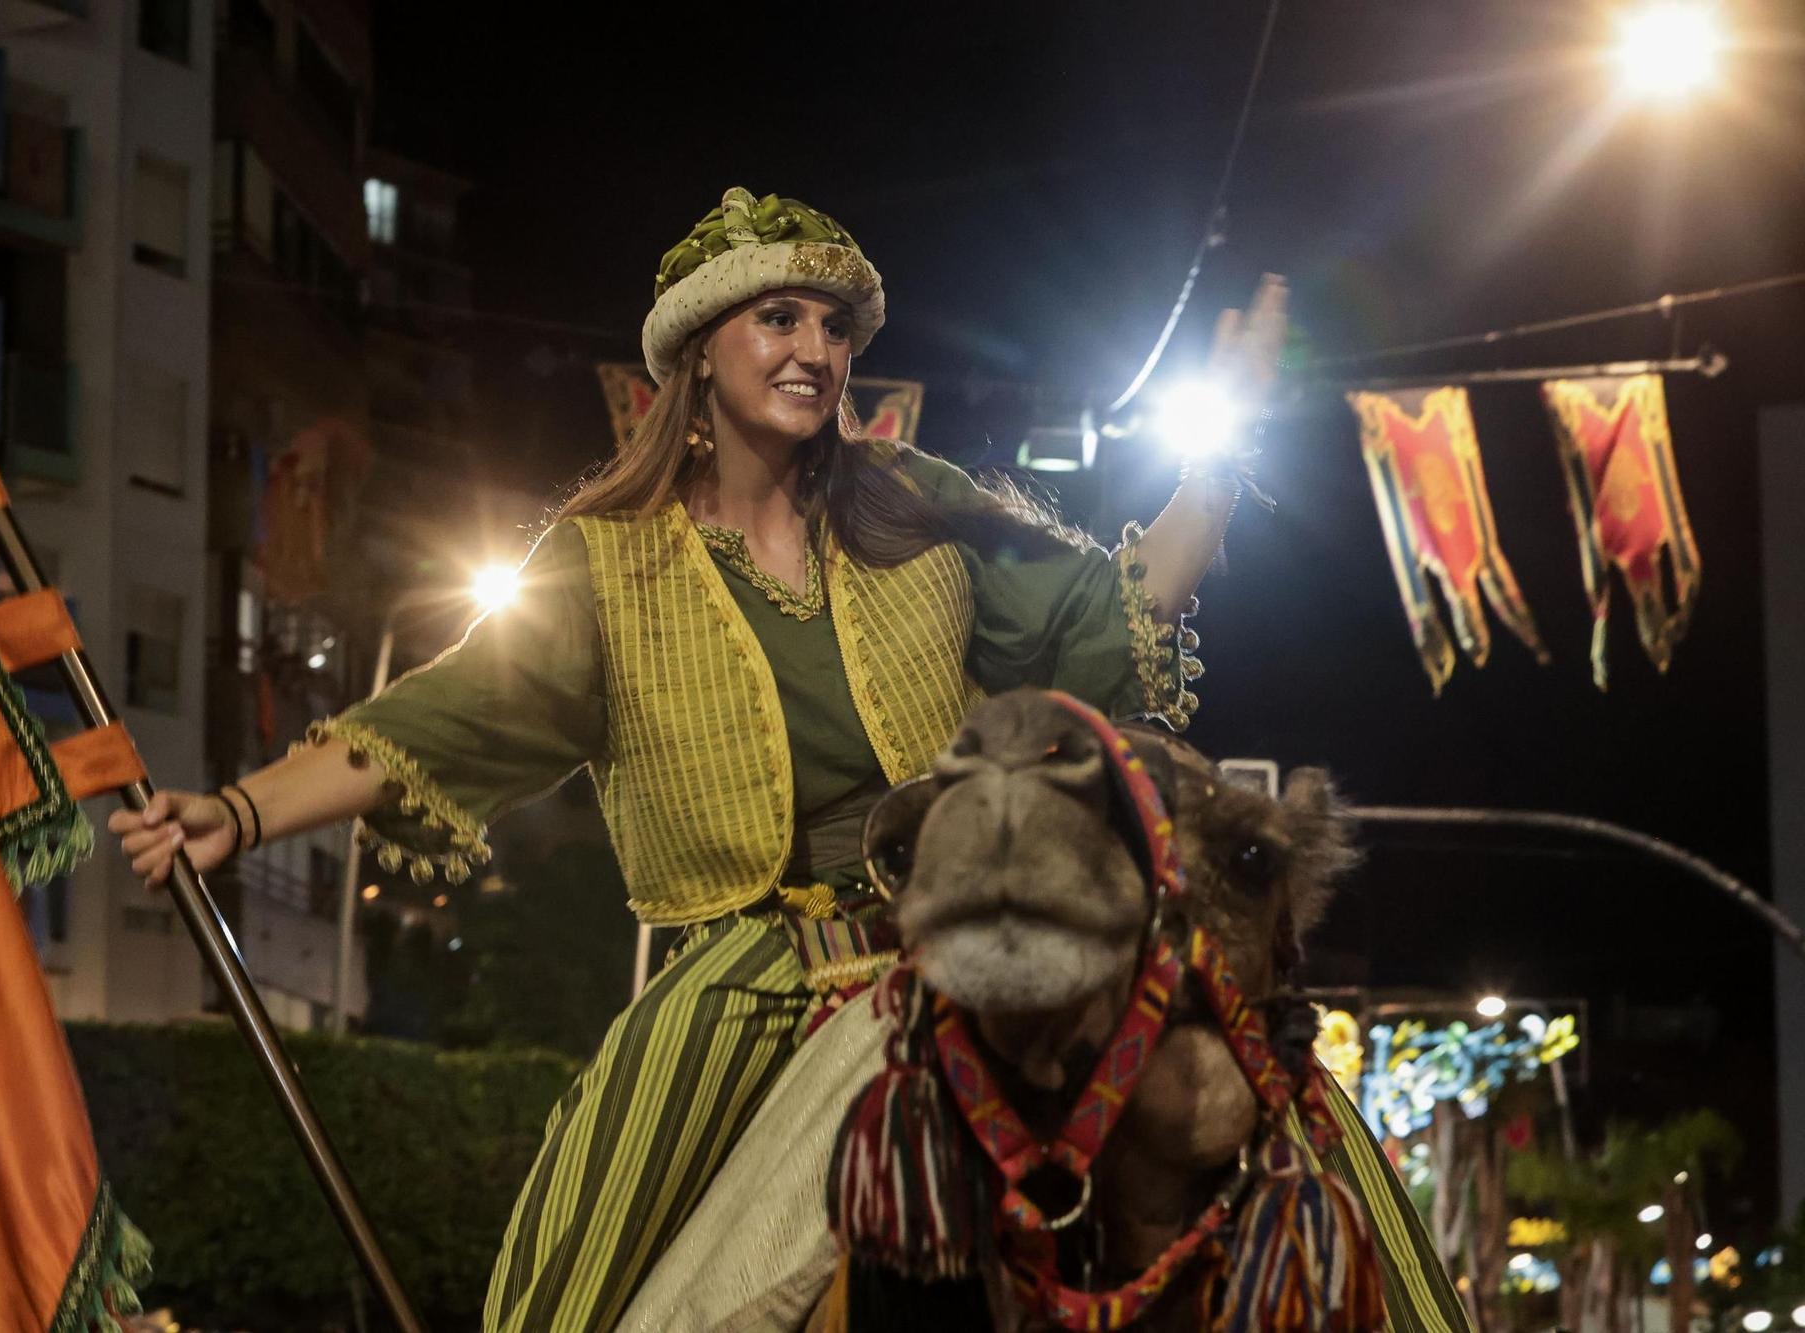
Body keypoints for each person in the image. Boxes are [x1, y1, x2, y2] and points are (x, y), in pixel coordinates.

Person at [113, 187, 1458, 1332]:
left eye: (834, 325)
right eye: (780, 317)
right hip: (747, 982)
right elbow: (444, 717)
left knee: (1269, 1105)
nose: (814, 348)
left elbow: (1117, 603)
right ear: (698, 350)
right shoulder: (607, 565)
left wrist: (1224, 436)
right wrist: (237, 810)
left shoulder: (919, 510)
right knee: (582, 1273)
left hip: (962, 945)